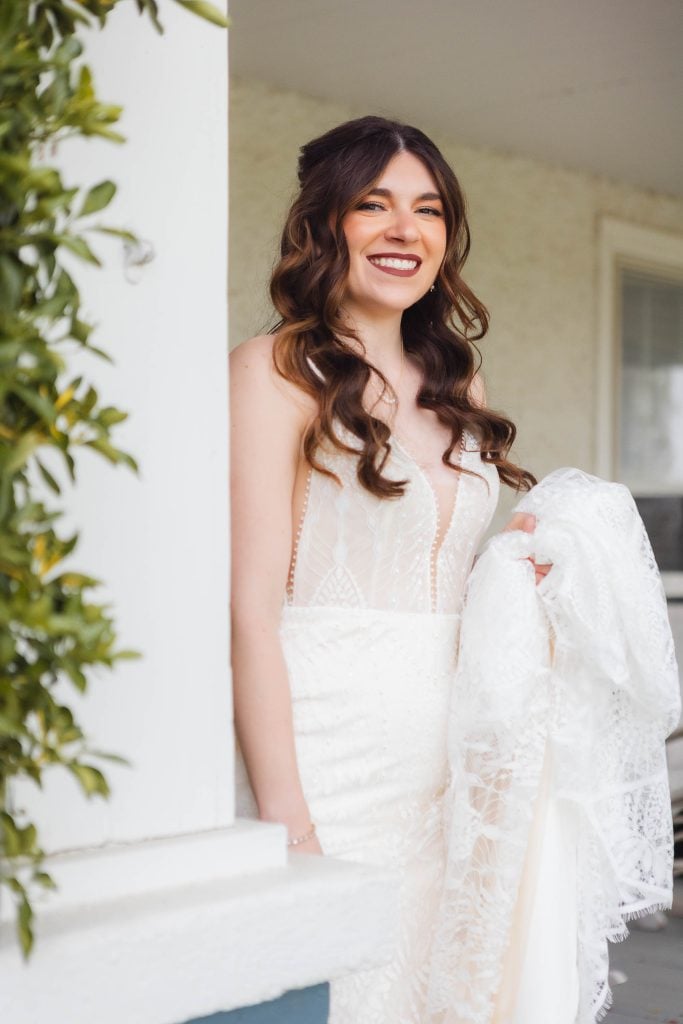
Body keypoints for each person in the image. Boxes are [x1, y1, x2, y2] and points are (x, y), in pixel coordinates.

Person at [229, 115, 548, 1024]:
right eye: (374, 205)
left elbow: (439, 573)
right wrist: (286, 817)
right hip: (330, 757)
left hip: (455, 758)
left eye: (429, 210)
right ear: (323, 224)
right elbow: (248, 607)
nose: (405, 231)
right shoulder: (272, 370)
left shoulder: (460, 387)